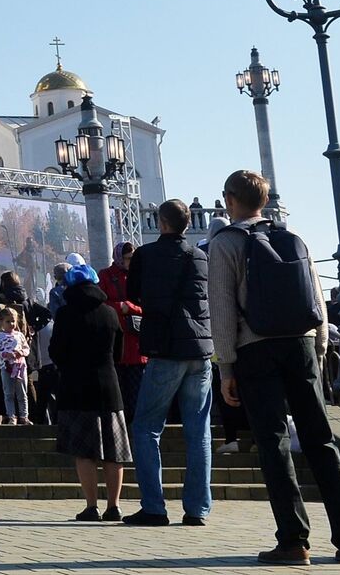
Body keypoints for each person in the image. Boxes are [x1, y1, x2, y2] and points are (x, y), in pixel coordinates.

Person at [210, 169, 340, 565]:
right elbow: (315, 297)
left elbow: (223, 310)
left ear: (230, 200)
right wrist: (319, 347)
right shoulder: (292, 237)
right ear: (263, 200)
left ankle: (294, 541)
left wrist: (226, 367)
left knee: (274, 443)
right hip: (301, 345)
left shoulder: (225, 243)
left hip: (256, 350)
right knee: (321, 440)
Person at [123, 198, 213, 527]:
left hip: (165, 349)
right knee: (198, 430)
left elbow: (132, 295)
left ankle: (154, 507)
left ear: (161, 223)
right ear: (187, 225)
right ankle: (197, 509)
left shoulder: (146, 255)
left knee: (146, 427)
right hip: (200, 351)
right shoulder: (199, 256)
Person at [49, 254, 131, 521]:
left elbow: (56, 352)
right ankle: (114, 505)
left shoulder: (64, 314)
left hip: (75, 388)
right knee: (113, 451)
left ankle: (91, 506)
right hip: (108, 387)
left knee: (84, 452)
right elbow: (119, 354)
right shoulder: (110, 314)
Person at [100, 241, 147, 418]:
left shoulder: (141, 275)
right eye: (128, 258)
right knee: (119, 399)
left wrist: (130, 307)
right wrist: (120, 307)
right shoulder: (105, 275)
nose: (131, 262)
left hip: (138, 347)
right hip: (117, 345)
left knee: (138, 397)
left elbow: (148, 304)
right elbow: (101, 303)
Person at [0, 306, 32, 426]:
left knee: (22, 393)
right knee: (8, 393)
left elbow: (26, 349)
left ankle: (24, 416)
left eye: (13, 321)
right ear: (1, 322)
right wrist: (4, 354)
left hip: (19, 367)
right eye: (8, 321)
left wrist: (20, 353)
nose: (11, 324)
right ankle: (11, 416)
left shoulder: (19, 335)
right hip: (6, 367)